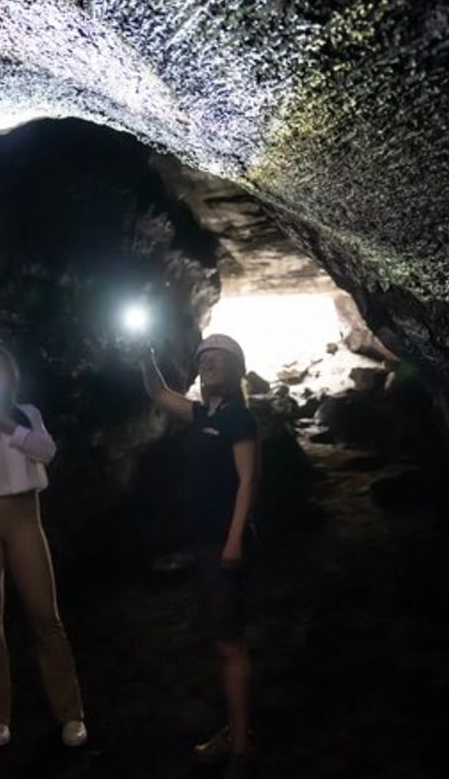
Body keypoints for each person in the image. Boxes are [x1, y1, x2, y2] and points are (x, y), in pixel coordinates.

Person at [0, 345, 87, 749]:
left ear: (11, 377)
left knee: (46, 615)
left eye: (1, 371)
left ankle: (70, 712)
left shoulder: (28, 413)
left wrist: (5, 426)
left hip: (25, 514)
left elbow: (46, 451)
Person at [140, 334, 259, 779]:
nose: (208, 363)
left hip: (222, 543)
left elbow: (248, 482)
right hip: (204, 542)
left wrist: (233, 541)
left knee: (230, 645)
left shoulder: (239, 420)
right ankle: (236, 731)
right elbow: (156, 391)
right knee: (220, 642)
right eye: (203, 357)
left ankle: (242, 750)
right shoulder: (201, 414)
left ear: (235, 369)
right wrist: (145, 352)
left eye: (218, 358)